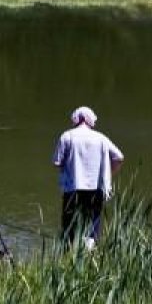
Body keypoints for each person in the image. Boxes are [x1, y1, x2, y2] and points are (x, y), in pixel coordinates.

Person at [52, 106, 124, 249]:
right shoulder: (101, 138)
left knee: (69, 225)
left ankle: (70, 252)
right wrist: (108, 173)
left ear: (76, 119)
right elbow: (119, 157)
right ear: (90, 120)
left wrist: (69, 169)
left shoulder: (67, 136)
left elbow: (57, 162)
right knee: (92, 225)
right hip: (96, 189)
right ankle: (90, 253)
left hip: (72, 188)